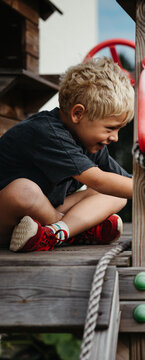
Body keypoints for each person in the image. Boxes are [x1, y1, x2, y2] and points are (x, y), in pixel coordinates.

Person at [0, 57, 135, 252]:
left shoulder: (91, 144)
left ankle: (55, 233)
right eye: (110, 128)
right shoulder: (47, 132)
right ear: (78, 114)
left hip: (44, 216)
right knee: (23, 191)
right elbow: (98, 180)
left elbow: (125, 182)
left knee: (118, 193)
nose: (114, 137)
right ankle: (75, 233)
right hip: (6, 217)